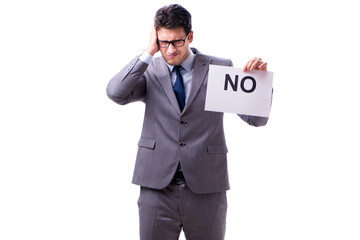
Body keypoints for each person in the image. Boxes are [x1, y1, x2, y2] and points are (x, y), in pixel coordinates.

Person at [106, 4, 270, 240]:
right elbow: (115, 93)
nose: (170, 50)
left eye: (177, 42)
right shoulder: (149, 69)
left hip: (206, 186)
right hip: (156, 186)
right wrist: (148, 51)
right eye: (164, 42)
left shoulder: (218, 68)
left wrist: (260, 84)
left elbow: (256, 120)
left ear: (190, 36)